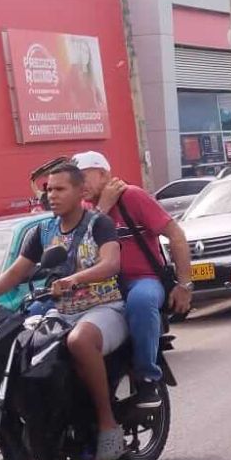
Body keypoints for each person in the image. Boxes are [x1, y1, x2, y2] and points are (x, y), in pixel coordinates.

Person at [0, 163, 129, 460]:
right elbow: (15, 273)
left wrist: (75, 279)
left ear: (80, 191)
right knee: (20, 347)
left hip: (104, 308)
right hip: (62, 313)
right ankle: (38, 426)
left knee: (79, 341)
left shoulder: (98, 224)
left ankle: (107, 423)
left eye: (60, 189)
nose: (52, 195)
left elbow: (111, 264)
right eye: (48, 190)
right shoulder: (42, 231)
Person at [72, 151, 193, 410]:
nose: (79, 185)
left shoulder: (132, 197)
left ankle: (147, 376)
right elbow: (78, 250)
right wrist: (102, 209)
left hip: (142, 280)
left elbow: (176, 235)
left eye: (83, 177)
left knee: (140, 300)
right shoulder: (85, 210)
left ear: (103, 174)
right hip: (100, 287)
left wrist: (185, 285)